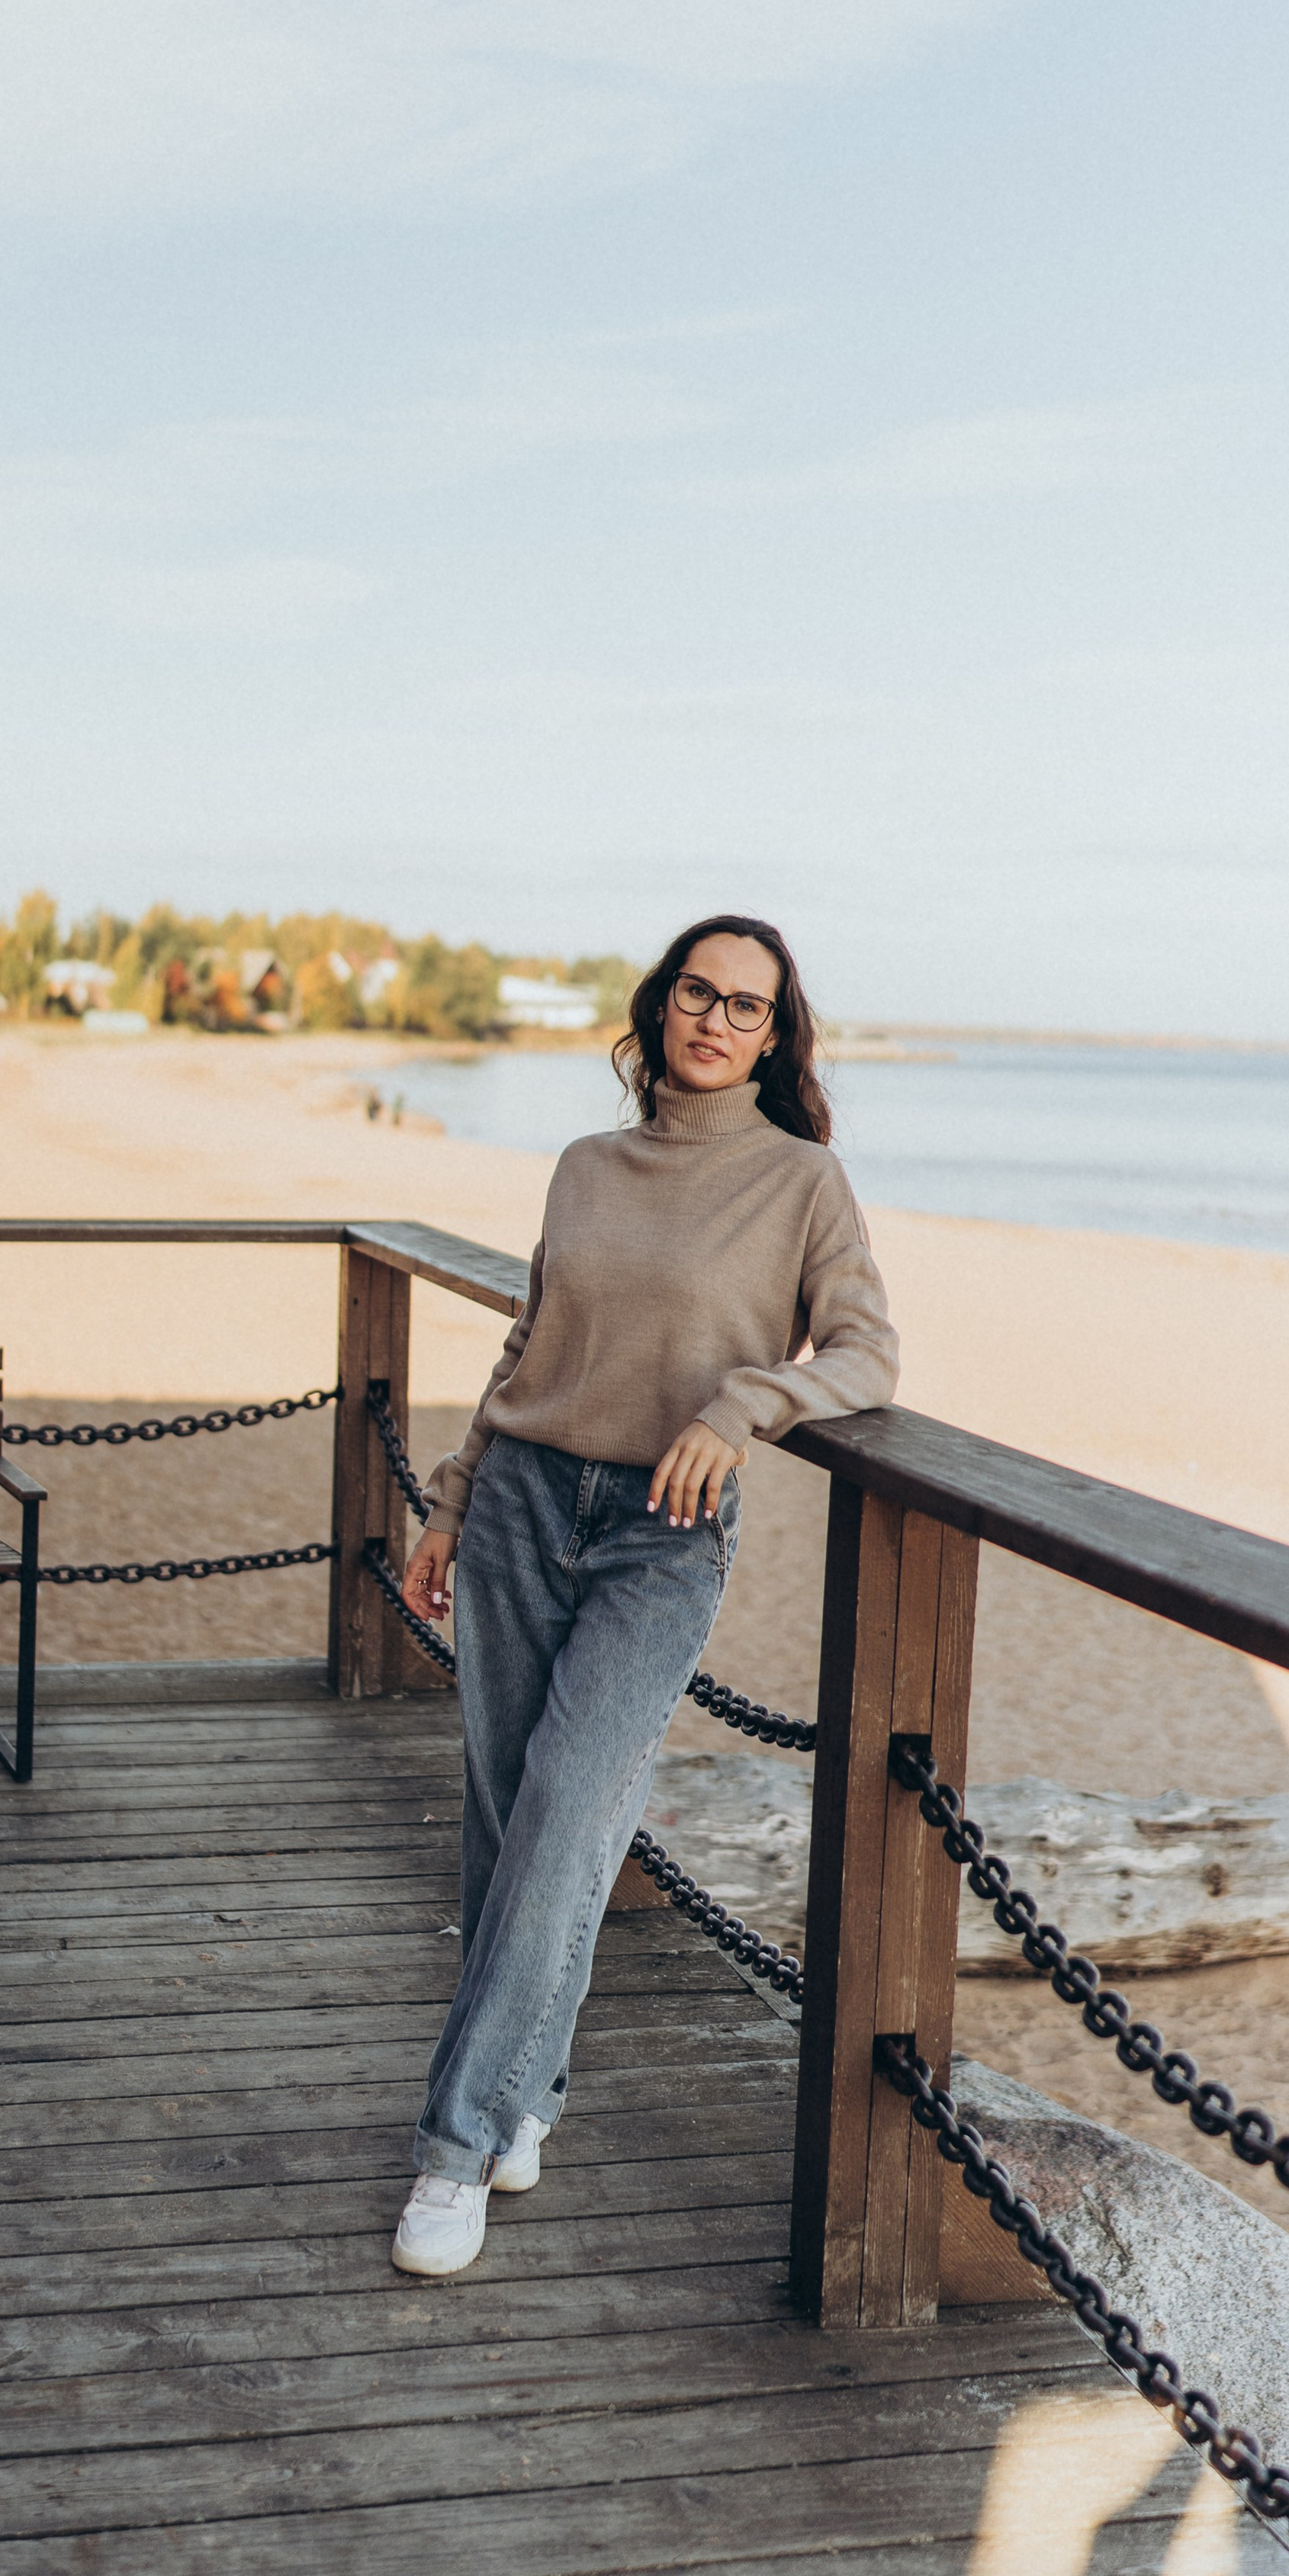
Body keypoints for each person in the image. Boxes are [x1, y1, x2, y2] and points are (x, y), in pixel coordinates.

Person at [390, 914, 900, 2276]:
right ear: (661, 1004)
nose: (718, 1020)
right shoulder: (584, 1166)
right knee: (507, 1817)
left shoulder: (802, 1184)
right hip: (519, 1506)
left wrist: (745, 1405)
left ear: (776, 1036)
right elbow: (530, 1344)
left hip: (663, 1535)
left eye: (750, 1007)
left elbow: (866, 1353)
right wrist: (452, 1498)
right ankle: (525, 2100)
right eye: (699, 992)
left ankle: (451, 2147)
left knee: (570, 1804)